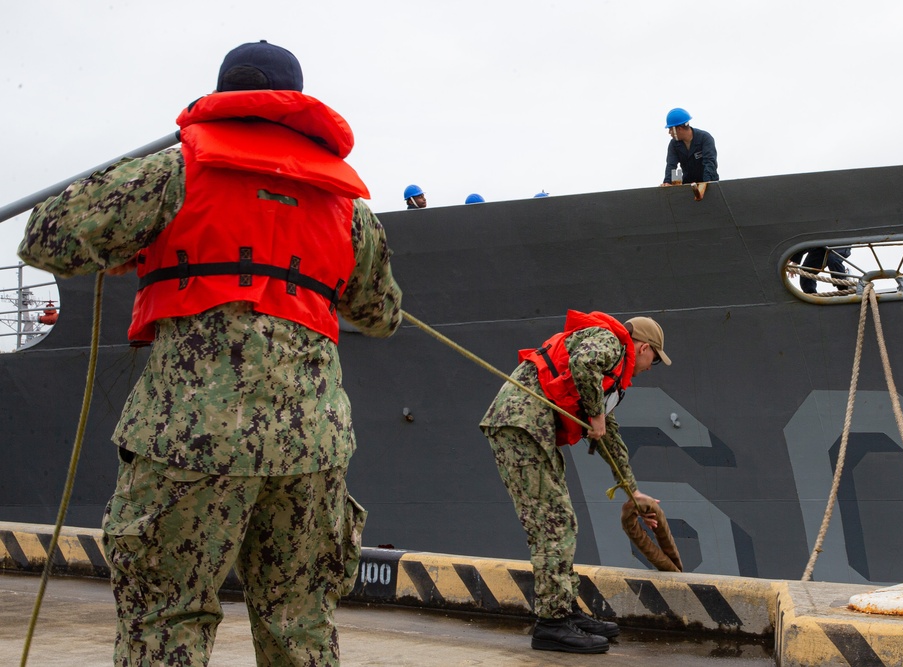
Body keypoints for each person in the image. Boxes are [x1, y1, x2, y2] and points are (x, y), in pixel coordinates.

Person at [18, 40, 402, 667]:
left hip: (190, 438)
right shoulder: (350, 211)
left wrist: (135, 247)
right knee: (301, 623)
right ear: (298, 105)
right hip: (311, 447)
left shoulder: (175, 171)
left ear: (223, 97)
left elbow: (46, 237)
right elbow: (381, 316)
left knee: (165, 618)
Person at [480, 310, 670, 654]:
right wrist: (596, 414)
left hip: (531, 429)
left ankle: (564, 612)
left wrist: (632, 491)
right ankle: (552, 624)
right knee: (553, 524)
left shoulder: (610, 377)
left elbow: (608, 434)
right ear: (643, 348)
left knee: (561, 521)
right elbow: (583, 365)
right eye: (654, 360)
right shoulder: (612, 344)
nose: (649, 367)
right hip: (521, 425)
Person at [660, 108, 719, 186]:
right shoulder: (674, 144)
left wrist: (706, 184)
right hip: (688, 185)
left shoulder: (705, 138)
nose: (669, 133)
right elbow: (671, 165)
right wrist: (667, 182)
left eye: (670, 129)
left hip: (709, 184)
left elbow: (709, 162)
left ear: (679, 129)